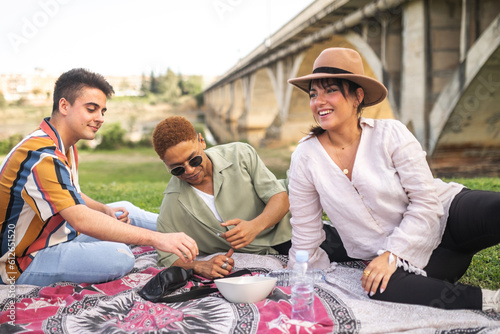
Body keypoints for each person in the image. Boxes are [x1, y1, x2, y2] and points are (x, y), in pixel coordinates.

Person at [286, 47, 500, 311]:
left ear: (357, 96)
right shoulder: (305, 158)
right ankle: (492, 301)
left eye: (330, 90)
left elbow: (426, 201)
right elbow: (305, 232)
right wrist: (298, 278)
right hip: (426, 260)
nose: (319, 102)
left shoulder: (390, 133)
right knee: (379, 286)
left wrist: (394, 252)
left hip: (447, 216)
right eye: (313, 94)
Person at [0, 68, 198, 287]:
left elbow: (70, 194)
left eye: (102, 111)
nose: (100, 118)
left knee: (122, 208)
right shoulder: (41, 155)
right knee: (120, 256)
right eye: (91, 109)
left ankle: (196, 231)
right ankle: (172, 236)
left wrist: (104, 210)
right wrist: (157, 239)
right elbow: (81, 219)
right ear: (64, 105)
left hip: (56, 235)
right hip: (18, 261)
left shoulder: (61, 143)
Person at [152, 116, 293, 279]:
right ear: (165, 164)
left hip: (290, 232)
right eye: (177, 169)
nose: (189, 170)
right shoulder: (172, 204)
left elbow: (280, 197)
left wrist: (255, 226)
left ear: (202, 141)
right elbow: (167, 258)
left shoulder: (240, 155)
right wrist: (199, 265)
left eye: (194, 159)